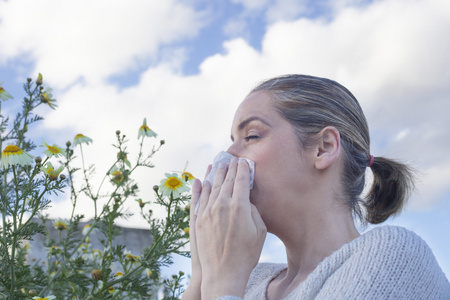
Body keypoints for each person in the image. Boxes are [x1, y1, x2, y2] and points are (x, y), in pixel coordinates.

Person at [182, 74, 450, 299]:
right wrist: (202, 275)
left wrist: (223, 283)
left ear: (324, 148)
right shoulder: (251, 280)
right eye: (232, 141)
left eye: (251, 136)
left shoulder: (393, 258)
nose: (229, 155)